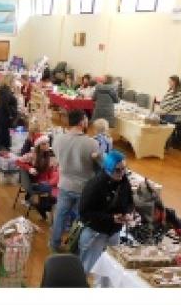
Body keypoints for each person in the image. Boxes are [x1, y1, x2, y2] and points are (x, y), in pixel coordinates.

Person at [49, 109, 100, 252]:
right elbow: (98, 166)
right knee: (80, 220)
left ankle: (54, 243)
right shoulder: (92, 144)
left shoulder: (58, 139)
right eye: (86, 119)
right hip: (84, 188)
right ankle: (74, 246)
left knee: (60, 216)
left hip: (64, 184)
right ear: (81, 121)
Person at [77, 150, 136, 273]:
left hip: (114, 231)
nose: (122, 173)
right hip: (96, 232)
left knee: (111, 266)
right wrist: (111, 218)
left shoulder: (124, 181)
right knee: (87, 267)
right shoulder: (95, 185)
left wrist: (128, 213)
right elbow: (84, 212)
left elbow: (130, 201)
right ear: (108, 168)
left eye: (124, 169)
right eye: (117, 170)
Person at [0, 81, 20, 153]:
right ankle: (5, 151)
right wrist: (11, 115)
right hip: (4, 116)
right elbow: (6, 105)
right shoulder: (6, 91)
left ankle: (2, 150)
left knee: (1, 133)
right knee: (5, 134)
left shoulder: (3, 90)